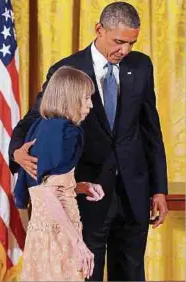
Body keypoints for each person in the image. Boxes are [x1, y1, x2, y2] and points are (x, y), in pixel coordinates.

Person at [9, 2, 168, 281]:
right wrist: (17, 153)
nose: (125, 51)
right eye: (119, 42)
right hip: (88, 194)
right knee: (86, 272)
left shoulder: (141, 66)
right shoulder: (67, 69)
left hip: (133, 192)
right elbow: (33, 118)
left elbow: (150, 130)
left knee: (131, 272)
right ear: (99, 29)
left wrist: (159, 190)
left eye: (132, 43)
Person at [14, 66, 105, 281]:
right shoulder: (68, 132)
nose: (90, 105)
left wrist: (81, 187)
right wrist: (78, 243)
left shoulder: (40, 126)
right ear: (70, 98)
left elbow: (40, 185)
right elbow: (48, 193)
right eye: (86, 98)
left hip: (40, 235)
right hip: (60, 234)